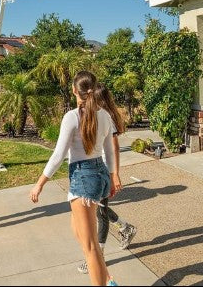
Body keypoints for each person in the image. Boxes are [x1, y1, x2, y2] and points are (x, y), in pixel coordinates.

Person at [29, 70, 119, 286]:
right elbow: (109, 151)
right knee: (77, 230)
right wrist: (112, 176)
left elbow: (59, 155)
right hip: (98, 176)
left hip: (83, 178)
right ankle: (107, 279)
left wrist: (39, 184)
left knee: (91, 247)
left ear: (74, 90)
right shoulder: (104, 115)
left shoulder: (72, 117)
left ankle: (106, 282)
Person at [77, 83, 137, 274]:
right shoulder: (97, 114)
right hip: (94, 170)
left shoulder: (106, 116)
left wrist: (115, 175)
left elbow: (114, 148)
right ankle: (126, 227)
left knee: (100, 214)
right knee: (100, 210)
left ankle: (98, 257)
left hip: (102, 172)